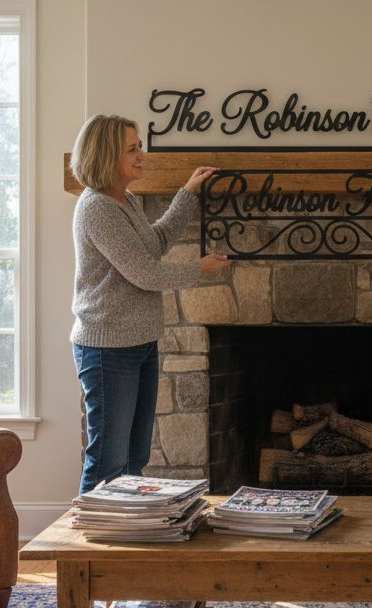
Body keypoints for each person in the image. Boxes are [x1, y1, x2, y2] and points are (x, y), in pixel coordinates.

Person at [68, 114, 231, 494]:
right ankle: (87, 544)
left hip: (139, 342)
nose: (143, 154)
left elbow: (153, 245)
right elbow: (145, 274)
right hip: (108, 348)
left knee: (134, 458)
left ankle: (126, 539)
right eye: (133, 148)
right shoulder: (97, 208)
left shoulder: (125, 200)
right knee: (108, 459)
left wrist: (187, 193)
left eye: (139, 145)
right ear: (108, 155)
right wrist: (199, 269)